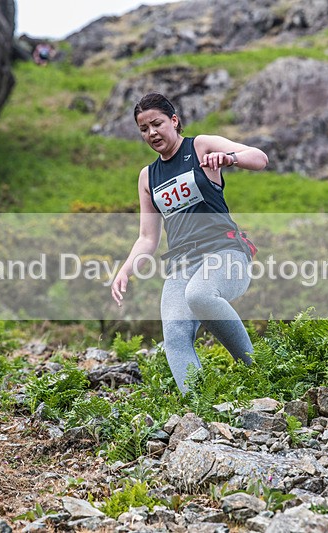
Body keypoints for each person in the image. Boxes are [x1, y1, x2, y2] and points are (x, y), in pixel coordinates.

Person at [111, 92, 269, 394]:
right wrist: (126, 270)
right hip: (182, 265)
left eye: (157, 123)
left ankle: (256, 374)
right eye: (144, 129)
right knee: (174, 335)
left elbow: (260, 158)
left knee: (200, 294)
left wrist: (229, 159)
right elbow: (147, 238)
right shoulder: (147, 177)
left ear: (174, 120)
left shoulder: (200, 146)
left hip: (226, 254)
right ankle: (199, 407)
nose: (152, 133)